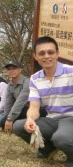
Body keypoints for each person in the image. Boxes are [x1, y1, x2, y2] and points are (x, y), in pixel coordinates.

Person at [13, 36, 73, 165]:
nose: (46, 56)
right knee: (19, 126)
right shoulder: (35, 78)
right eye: (41, 53)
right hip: (52, 120)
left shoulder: (71, 72)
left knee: (61, 138)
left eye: (50, 52)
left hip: (70, 118)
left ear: (57, 53)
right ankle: (48, 148)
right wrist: (30, 119)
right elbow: (34, 107)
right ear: (35, 56)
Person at [1, 61, 47, 132]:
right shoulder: (10, 85)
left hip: (36, 109)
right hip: (22, 110)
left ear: (20, 70)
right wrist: (5, 118)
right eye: (9, 69)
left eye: (14, 68)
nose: (11, 71)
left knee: (11, 119)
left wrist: (9, 119)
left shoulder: (27, 82)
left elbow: (20, 101)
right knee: (2, 121)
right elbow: (8, 103)